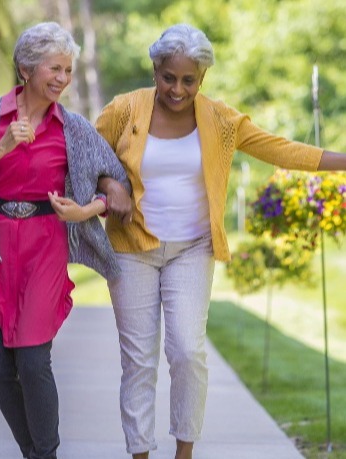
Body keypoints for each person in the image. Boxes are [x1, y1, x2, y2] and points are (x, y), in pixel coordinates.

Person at [95, 23, 346, 459]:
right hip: (132, 246)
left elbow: (280, 149)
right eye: (168, 77)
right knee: (138, 361)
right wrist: (108, 184)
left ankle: (184, 452)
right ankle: (138, 453)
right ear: (155, 69)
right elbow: (88, 153)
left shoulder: (221, 120)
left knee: (187, 351)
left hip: (192, 248)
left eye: (188, 80)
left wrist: (343, 161)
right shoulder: (124, 109)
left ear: (203, 78)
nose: (177, 88)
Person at [0, 22, 131, 459]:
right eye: (56, 69)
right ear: (26, 69)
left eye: (68, 70)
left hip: (44, 247)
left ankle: (45, 453)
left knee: (32, 363)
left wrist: (91, 208)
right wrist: (2, 147)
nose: (63, 79)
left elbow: (117, 180)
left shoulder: (73, 127)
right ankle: (34, 452)